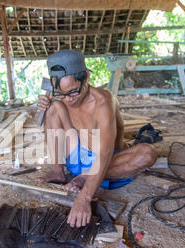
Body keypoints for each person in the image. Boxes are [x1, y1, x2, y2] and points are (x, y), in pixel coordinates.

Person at [37, 49, 157, 229]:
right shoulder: (61, 97)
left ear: (86, 76)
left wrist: (84, 197)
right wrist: (44, 106)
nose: (68, 99)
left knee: (147, 154)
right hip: (76, 157)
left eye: (73, 92)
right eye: (61, 93)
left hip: (107, 163)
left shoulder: (103, 102)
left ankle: (85, 177)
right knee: (53, 108)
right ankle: (58, 171)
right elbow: (46, 122)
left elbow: (105, 152)